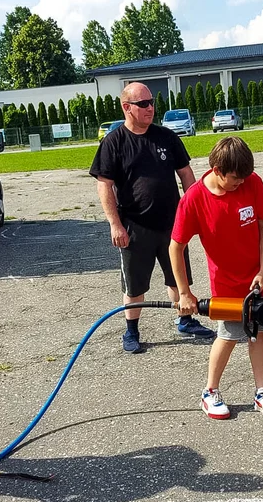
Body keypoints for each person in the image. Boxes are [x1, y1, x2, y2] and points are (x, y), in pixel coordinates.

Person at [90, 82, 216, 354]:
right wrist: (115, 224)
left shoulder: (166, 137)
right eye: (143, 104)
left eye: (152, 102)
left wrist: (192, 211)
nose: (151, 108)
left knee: (178, 278)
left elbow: (185, 174)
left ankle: (185, 320)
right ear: (127, 108)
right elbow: (104, 185)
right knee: (135, 286)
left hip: (172, 224)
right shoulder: (114, 142)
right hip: (134, 227)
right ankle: (132, 331)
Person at [170, 136, 263, 421]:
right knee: (229, 335)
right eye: (235, 178)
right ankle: (210, 392)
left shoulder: (252, 182)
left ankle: (262, 393)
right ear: (217, 169)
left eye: (245, 177)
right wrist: (185, 293)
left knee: (259, 333)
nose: (241, 183)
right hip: (228, 285)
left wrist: (262, 269)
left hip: (261, 277)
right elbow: (176, 246)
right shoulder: (194, 199)